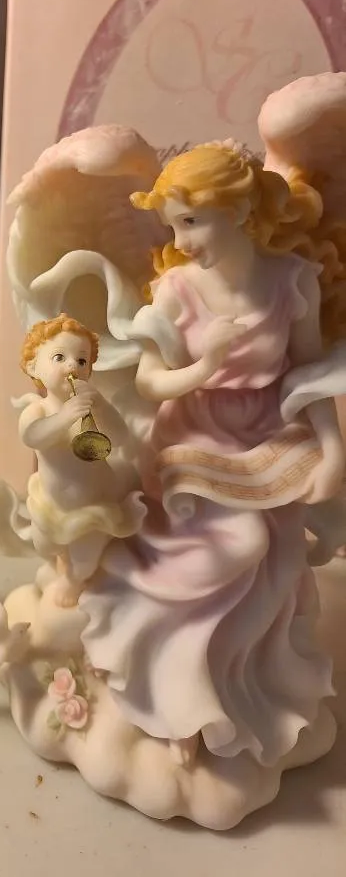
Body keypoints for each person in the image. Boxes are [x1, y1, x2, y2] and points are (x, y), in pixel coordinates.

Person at [80, 142, 346, 768]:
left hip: (267, 435)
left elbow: (309, 375)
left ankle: (245, 693)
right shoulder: (176, 289)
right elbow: (151, 381)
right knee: (240, 544)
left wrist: (333, 449)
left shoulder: (293, 281)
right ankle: (174, 693)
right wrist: (207, 363)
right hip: (194, 435)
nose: (182, 241)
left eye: (192, 222)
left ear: (241, 211)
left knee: (280, 561)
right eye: (174, 225)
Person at [18, 314, 140, 606]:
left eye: (82, 361)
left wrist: (101, 404)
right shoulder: (38, 410)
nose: (73, 366)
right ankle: (61, 563)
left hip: (92, 505)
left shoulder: (90, 408)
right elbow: (32, 436)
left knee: (85, 558)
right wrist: (64, 416)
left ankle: (75, 580)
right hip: (52, 503)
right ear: (34, 366)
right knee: (44, 544)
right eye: (59, 357)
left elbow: (120, 437)